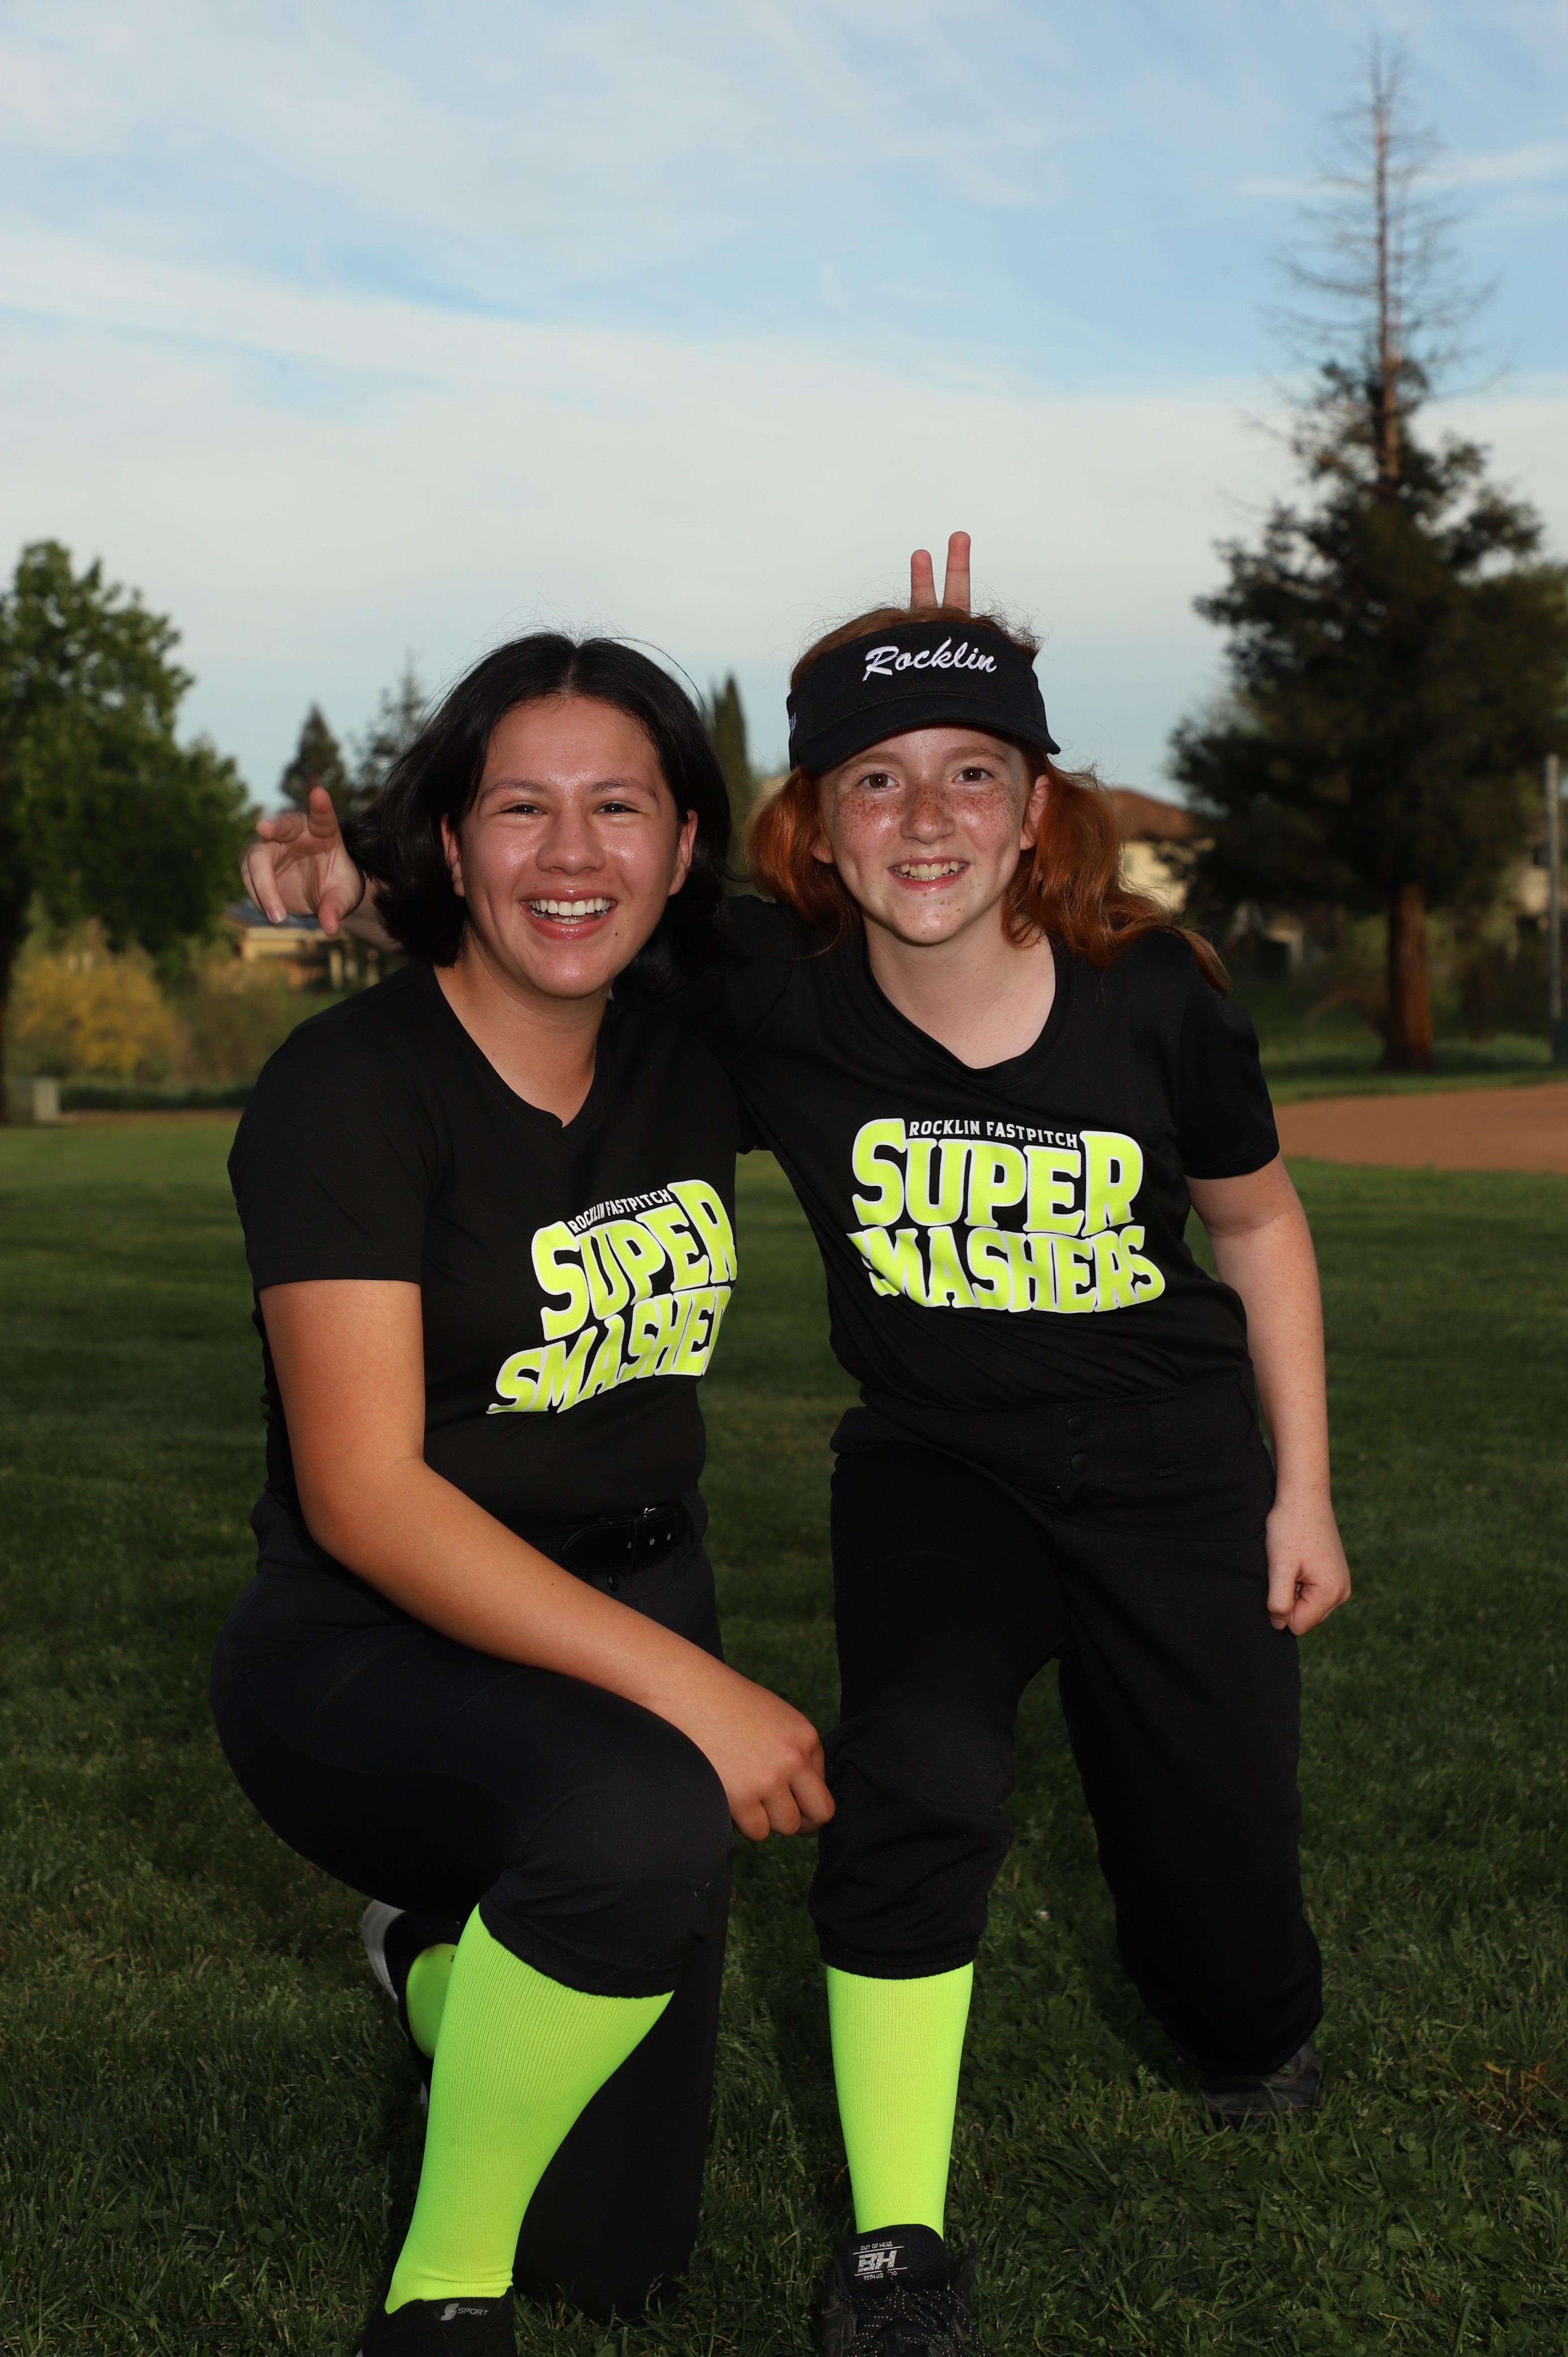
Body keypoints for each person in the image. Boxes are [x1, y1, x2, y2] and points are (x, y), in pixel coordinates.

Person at [246, 538, 1352, 2357]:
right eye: (876, 781)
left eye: (973, 773)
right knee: (912, 1771)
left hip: (1168, 1474)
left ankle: (1250, 2030)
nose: (927, 819)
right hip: (939, 1467)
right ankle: (893, 2250)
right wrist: (345, 884)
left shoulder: (1149, 994)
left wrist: (1300, 1485)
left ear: (1038, 806)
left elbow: (1257, 1222)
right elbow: (537, 912)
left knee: (1219, 1924)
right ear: (812, 830)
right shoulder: (770, 999)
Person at [214, 632, 833, 2357]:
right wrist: (698, 1695)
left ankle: (443, 1970)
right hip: (374, 1643)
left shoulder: (694, 1048)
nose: (573, 854)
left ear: (686, 844)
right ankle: (440, 2298)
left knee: (617, 2265)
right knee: (646, 1808)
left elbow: (907, 947)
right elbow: (366, 1497)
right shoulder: (349, 1087)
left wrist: (935, 705)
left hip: (639, 1590)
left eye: (619, 808)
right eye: (521, 809)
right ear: (451, 839)